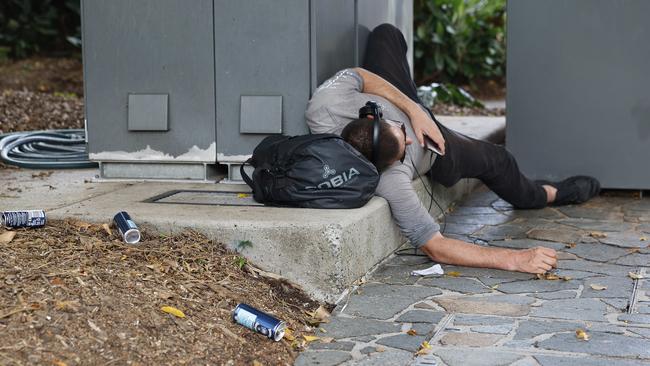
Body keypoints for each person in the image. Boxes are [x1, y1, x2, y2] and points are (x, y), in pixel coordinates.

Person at [305, 24, 600, 274]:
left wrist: (415, 111)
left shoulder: (324, 107)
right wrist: (515, 259)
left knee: (386, 34)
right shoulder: (388, 182)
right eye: (403, 151)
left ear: (371, 115)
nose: (409, 140)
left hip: (409, 106)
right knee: (500, 159)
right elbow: (437, 247)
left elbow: (361, 75)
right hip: (437, 148)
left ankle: (414, 104)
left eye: (402, 134)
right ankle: (547, 194)